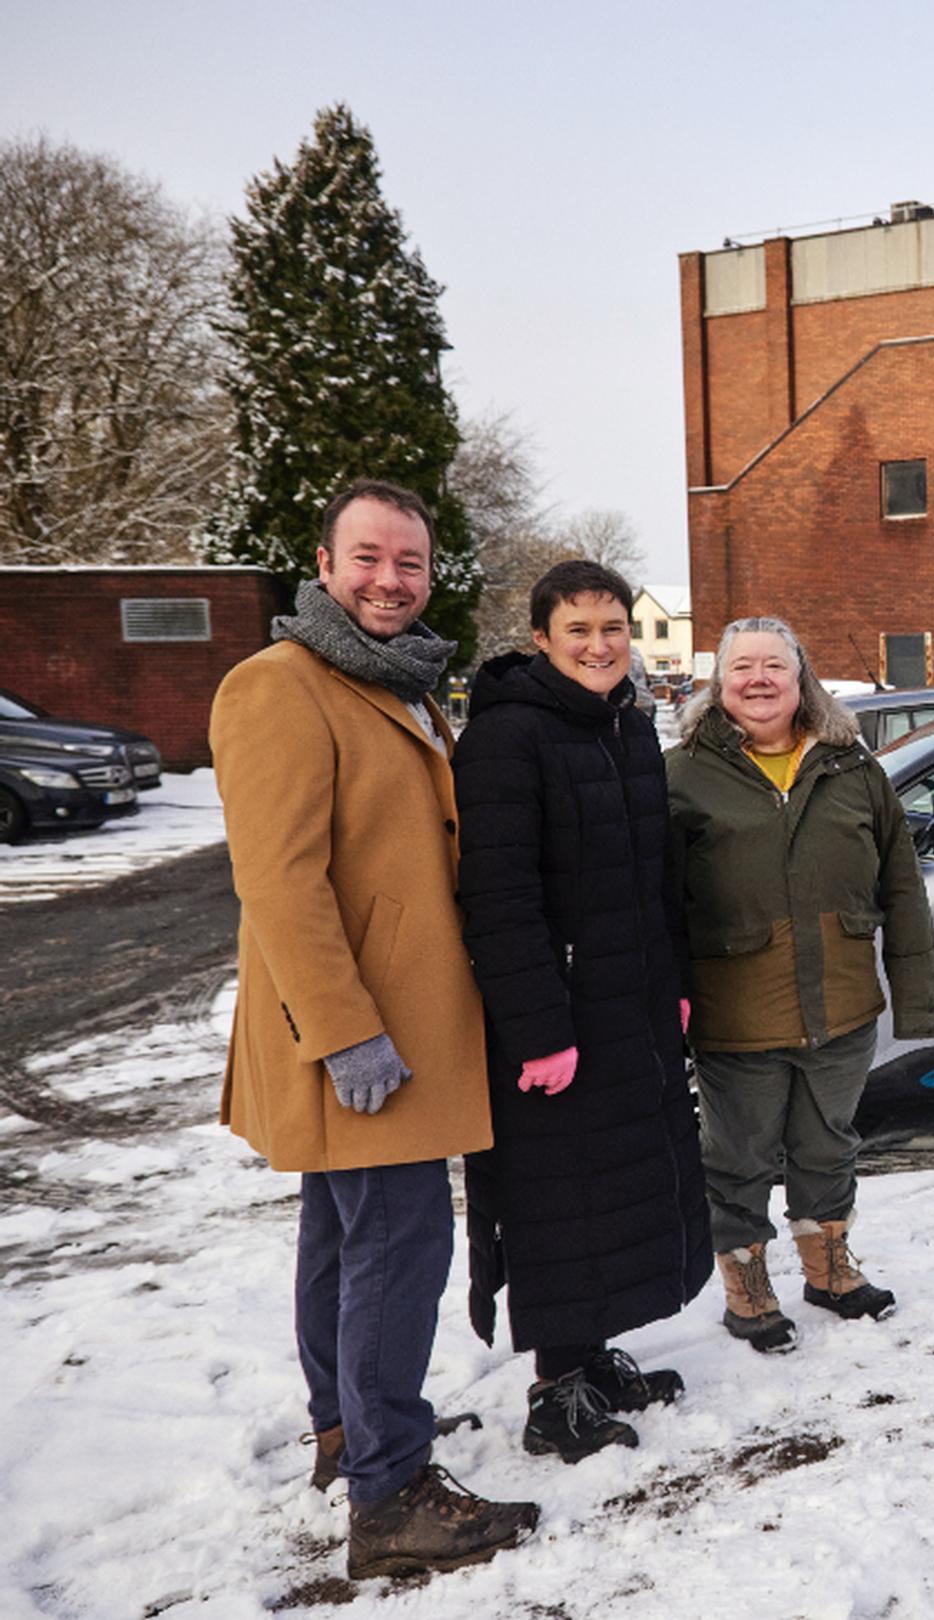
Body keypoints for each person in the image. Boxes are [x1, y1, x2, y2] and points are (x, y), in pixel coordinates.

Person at [210, 478, 537, 1580]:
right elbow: (280, 882)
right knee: (399, 1248)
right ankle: (391, 1497)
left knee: (345, 1241)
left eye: (408, 562)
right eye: (368, 558)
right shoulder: (279, 687)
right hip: (364, 1040)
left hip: (395, 1025)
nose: (389, 580)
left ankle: (352, 1433)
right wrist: (347, 1033)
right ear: (323, 560)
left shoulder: (391, 685)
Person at [450, 560, 712, 1462]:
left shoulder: (630, 730)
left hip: (630, 1006)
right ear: (542, 641)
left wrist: (673, 981)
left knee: (621, 1188)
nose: (600, 646)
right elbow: (498, 896)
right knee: (563, 1198)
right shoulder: (505, 739)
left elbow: (655, 879)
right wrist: (539, 1029)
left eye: (613, 629)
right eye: (580, 632)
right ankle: (555, 1390)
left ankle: (592, 1357)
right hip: (558, 1022)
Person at [666, 616, 934, 1352]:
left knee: (829, 1147)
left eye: (774, 667)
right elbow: (653, 903)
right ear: (718, 684)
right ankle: (747, 1287)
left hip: (842, 1007)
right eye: (741, 667)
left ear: (801, 679)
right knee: (738, 1158)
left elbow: (902, 889)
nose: (758, 680)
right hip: (735, 1013)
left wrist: (916, 1000)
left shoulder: (852, 768)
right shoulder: (681, 775)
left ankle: (829, 1273)